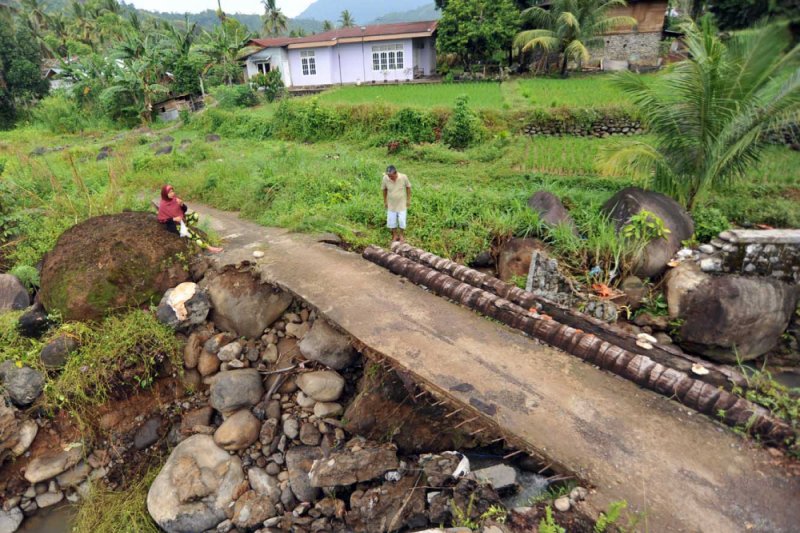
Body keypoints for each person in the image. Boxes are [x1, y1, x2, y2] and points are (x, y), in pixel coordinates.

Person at [157, 185, 223, 253]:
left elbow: (184, 210)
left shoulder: (175, 199)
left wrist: (182, 204)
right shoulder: (163, 205)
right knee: (192, 234)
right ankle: (209, 248)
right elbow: (161, 220)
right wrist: (173, 219)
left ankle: (187, 229)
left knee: (195, 216)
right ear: (165, 194)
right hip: (174, 225)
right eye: (169, 192)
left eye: (172, 191)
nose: (172, 193)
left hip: (182, 220)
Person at [381, 165, 412, 243]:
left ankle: (401, 235)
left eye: (391, 176)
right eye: (388, 176)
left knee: (402, 221)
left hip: (401, 204)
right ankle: (395, 235)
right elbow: (384, 190)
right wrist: (385, 201)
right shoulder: (385, 178)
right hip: (391, 204)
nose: (390, 178)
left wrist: (408, 200)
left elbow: (408, 187)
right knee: (392, 221)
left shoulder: (403, 177)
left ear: (395, 173)